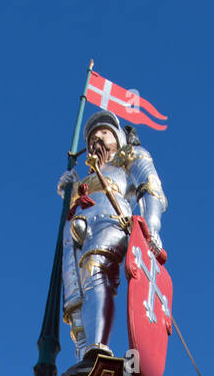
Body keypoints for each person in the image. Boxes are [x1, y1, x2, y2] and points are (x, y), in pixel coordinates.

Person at [58, 110, 167, 361]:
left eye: (105, 132)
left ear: (117, 138)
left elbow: (150, 187)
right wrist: (69, 189)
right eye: (93, 135)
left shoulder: (128, 158)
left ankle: (97, 347)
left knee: (95, 268)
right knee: (75, 299)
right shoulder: (83, 178)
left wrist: (151, 226)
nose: (98, 137)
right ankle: (84, 357)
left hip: (111, 220)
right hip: (75, 234)